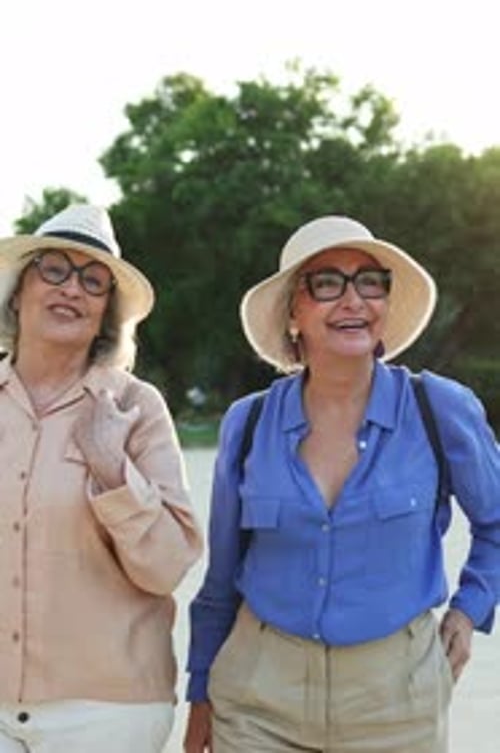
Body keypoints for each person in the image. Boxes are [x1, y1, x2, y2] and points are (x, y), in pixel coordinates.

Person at [184, 215, 500, 753]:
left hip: (396, 703)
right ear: (293, 314)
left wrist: (471, 609)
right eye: (327, 283)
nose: (353, 300)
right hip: (259, 697)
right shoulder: (248, 423)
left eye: (369, 281)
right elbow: (221, 581)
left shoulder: (440, 408)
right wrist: (200, 695)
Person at [0, 203, 203, 753]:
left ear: (106, 313)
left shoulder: (138, 408)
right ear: (19, 292)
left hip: (106, 714)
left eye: (93, 281)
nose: (73, 289)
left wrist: (112, 469)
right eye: (55, 269)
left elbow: (166, 566)